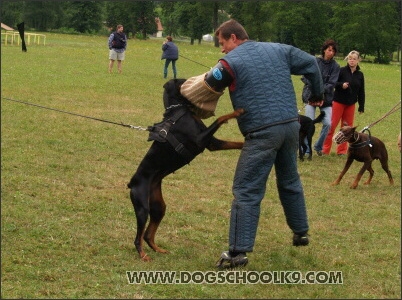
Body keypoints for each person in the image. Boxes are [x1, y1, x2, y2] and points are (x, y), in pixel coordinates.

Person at [180, 19, 324, 268]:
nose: (222, 49)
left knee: (246, 189)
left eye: (223, 43)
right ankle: (300, 231)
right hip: (291, 126)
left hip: (262, 132)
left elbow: (207, 86)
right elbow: (312, 63)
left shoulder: (228, 63)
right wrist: (317, 94)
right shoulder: (279, 49)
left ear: (234, 38)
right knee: (289, 180)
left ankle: (237, 252)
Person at [301, 39, 340, 156]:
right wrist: (315, 90)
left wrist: (321, 92)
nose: (331, 52)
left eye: (333, 51)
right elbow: (305, 77)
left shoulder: (335, 66)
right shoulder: (314, 61)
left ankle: (318, 146)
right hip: (310, 96)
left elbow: (332, 84)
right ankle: (306, 149)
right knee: (307, 123)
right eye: (329, 50)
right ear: (324, 50)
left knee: (328, 123)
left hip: (326, 99)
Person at [322, 50, 365, 155]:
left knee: (347, 129)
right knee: (331, 126)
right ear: (347, 59)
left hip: (351, 104)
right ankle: (325, 149)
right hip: (338, 102)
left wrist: (361, 106)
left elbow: (361, 91)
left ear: (358, 60)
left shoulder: (360, 74)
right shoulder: (341, 71)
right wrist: (341, 85)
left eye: (354, 59)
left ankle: (341, 151)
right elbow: (333, 83)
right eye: (350, 58)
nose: (352, 61)